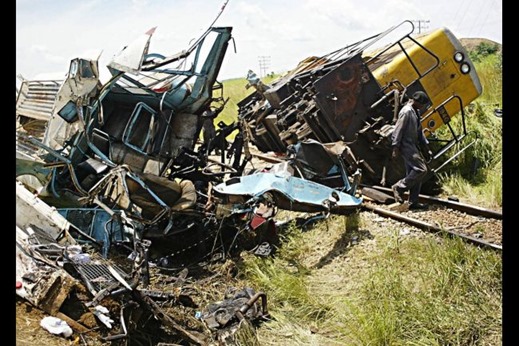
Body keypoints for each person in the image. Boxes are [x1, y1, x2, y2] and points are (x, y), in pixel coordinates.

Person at [391, 91, 433, 210]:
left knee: (414, 174)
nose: (423, 107)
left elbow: (419, 132)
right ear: (418, 102)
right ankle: (399, 187)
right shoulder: (406, 112)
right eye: (422, 104)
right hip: (406, 146)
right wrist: (395, 147)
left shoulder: (415, 112)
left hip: (413, 145)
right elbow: (398, 129)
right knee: (421, 170)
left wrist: (426, 147)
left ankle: (413, 202)